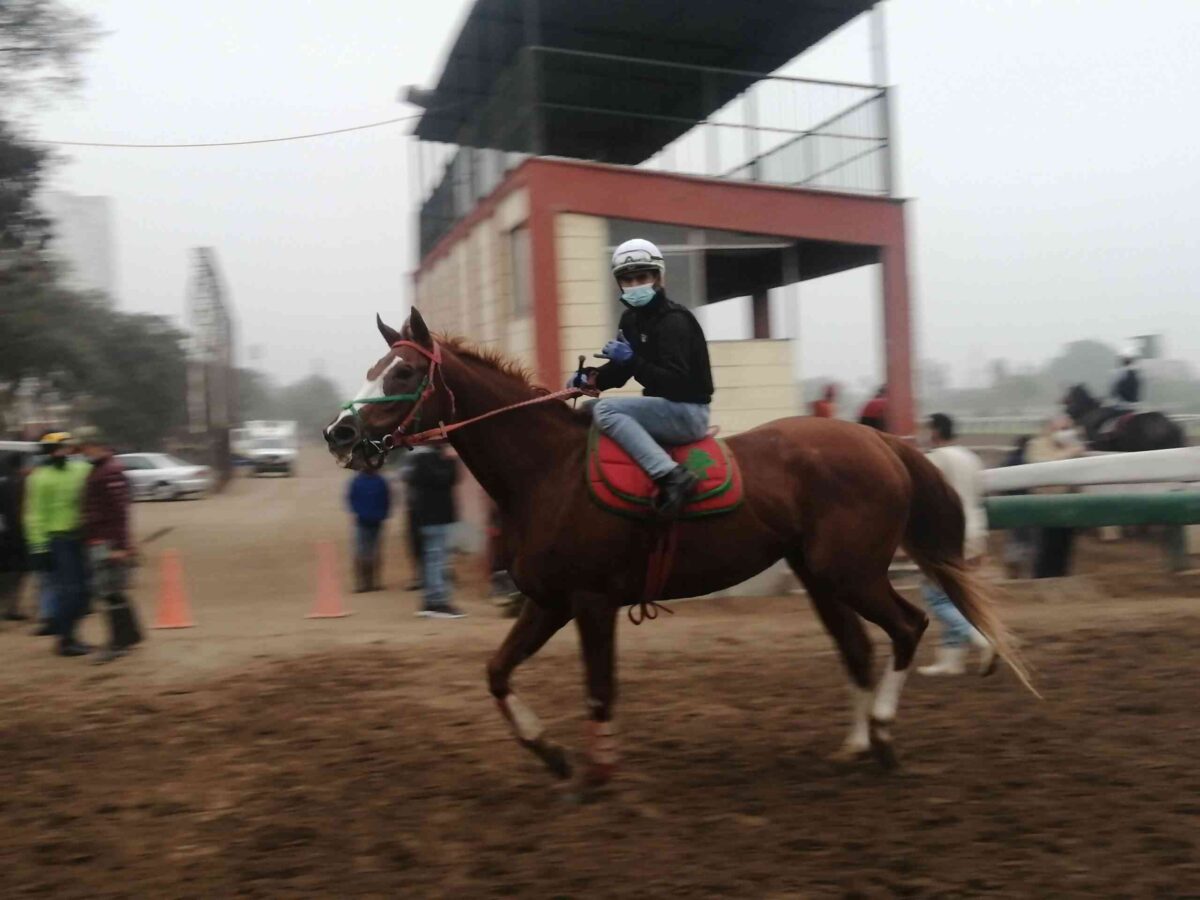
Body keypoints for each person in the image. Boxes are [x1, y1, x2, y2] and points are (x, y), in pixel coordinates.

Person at [567, 238, 714, 519]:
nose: (635, 285)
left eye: (642, 277)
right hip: (664, 409)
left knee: (607, 410)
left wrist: (632, 360)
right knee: (590, 410)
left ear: (658, 277)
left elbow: (677, 382)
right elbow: (621, 371)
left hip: (688, 412)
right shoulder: (630, 320)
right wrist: (588, 379)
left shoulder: (675, 321)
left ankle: (672, 476)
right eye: (628, 279)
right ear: (619, 283)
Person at [917, 413, 996, 676]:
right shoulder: (972, 457)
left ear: (935, 432)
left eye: (927, 430)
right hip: (975, 533)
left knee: (936, 597)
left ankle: (979, 638)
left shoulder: (934, 459)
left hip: (948, 537)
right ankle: (951, 660)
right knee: (955, 597)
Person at [23, 432, 92, 656]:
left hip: (80, 537)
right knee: (69, 592)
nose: (64, 451)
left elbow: (99, 473)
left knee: (84, 592)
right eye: (59, 448)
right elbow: (34, 516)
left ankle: (71, 635)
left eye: (66, 447)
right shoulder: (39, 478)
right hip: (58, 541)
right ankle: (65, 640)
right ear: (49, 452)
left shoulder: (80, 469)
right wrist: (39, 548)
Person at [78, 428, 142, 662]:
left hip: (106, 541)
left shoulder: (109, 472)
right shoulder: (102, 470)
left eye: (88, 447)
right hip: (101, 539)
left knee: (109, 592)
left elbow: (119, 513)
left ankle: (118, 642)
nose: (85, 452)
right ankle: (129, 635)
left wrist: (120, 546)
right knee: (113, 591)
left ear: (101, 447)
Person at [407, 443, 464, 618]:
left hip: (429, 518)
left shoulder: (419, 458)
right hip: (434, 517)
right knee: (436, 561)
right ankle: (436, 602)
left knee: (434, 560)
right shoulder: (427, 458)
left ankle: (433, 600)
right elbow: (446, 478)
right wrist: (451, 461)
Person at [1026, 417, 1084, 578]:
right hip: (1045, 503)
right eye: (1062, 429)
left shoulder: (1074, 446)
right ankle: (1041, 578)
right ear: (1050, 429)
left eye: (1068, 428)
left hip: (1068, 504)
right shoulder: (1037, 444)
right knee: (1044, 545)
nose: (1066, 433)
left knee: (1064, 545)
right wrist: (1070, 452)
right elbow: (1042, 466)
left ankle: (1060, 577)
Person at [347, 468, 391, 593]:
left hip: (364, 520)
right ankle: (372, 582)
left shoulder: (357, 481)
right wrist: (383, 514)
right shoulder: (380, 481)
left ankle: (363, 583)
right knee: (373, 552)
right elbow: (387, 500)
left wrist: (358, 512)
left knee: (363, 552)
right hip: (375, 520)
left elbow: (351, 499)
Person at [0, 452, 30, 621]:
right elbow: (17, 512)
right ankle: (10, 608)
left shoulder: (6, 482)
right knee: (16, 572)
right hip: (15, 535)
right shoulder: (18, 484)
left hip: (5, 534)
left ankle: (8, 608)